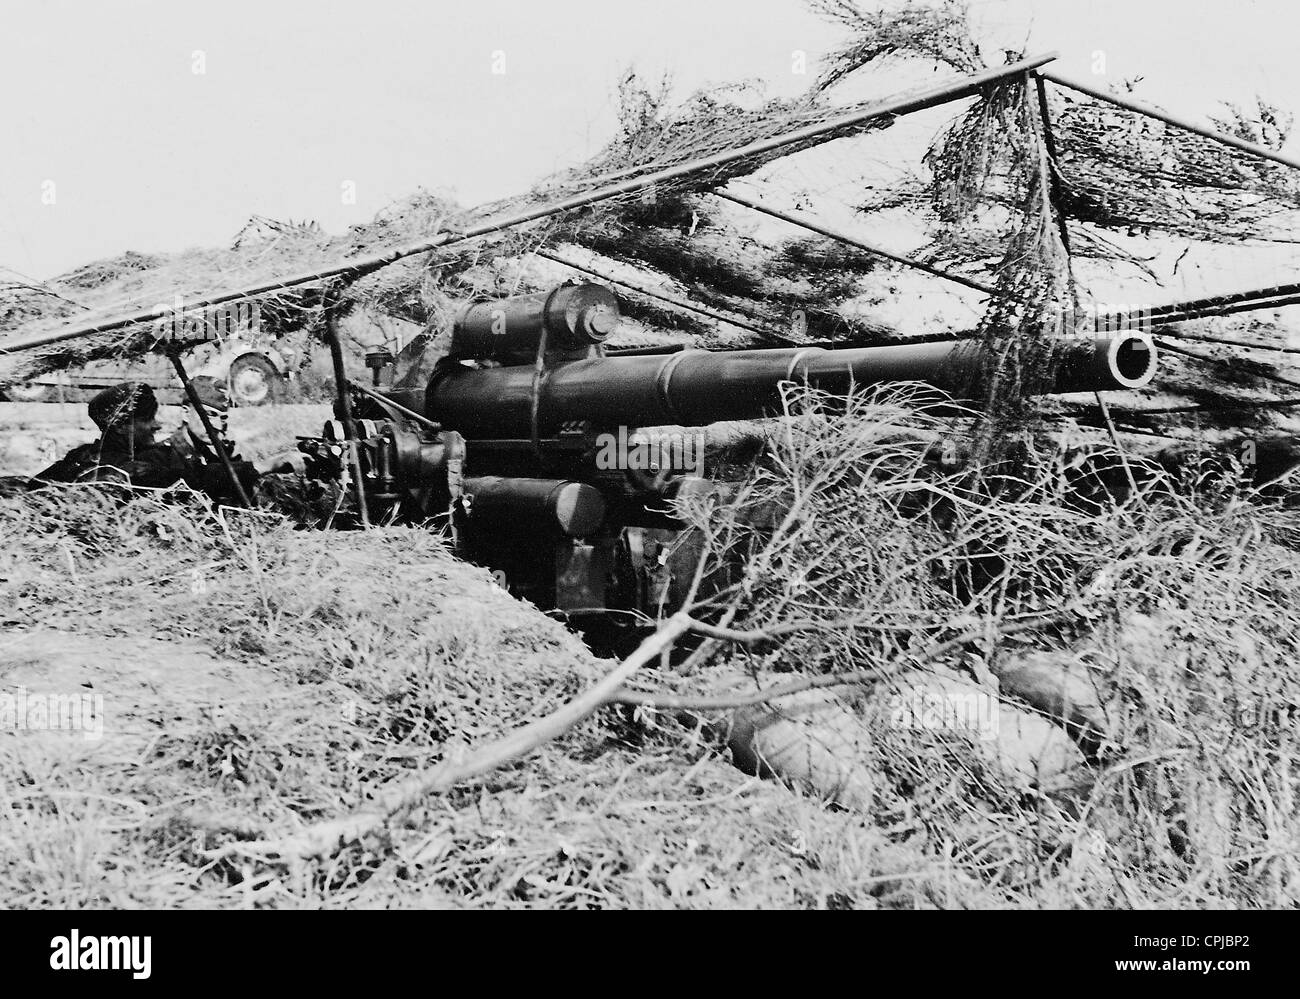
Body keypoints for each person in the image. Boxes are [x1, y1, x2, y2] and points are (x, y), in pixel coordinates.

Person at [29, 381, 260, 500]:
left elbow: (33, 486)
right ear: (120, 427)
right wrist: (261, 467)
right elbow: (192, 479)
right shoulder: (130, 468)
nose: (157, 425)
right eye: (147, 419)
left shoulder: (82, 455)